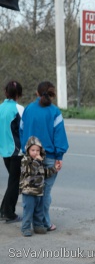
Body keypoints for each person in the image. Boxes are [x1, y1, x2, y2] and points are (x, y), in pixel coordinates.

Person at [20, 81, 69, 232]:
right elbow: (59, 136)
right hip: (48, 157)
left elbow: (21, 132)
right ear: (52, 94)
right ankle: (43, 222)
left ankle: (29, 224)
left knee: (30, 190)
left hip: (29, 157)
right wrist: (59, 156)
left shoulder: (28, 110)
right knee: (45, 192)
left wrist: (26, 150)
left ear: (37, 93)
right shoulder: (54, 112)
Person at [20, 136, 60, 237]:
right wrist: (37, 161)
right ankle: (25, 228)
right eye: (33, 150)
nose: (36, 152)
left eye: (38, 150)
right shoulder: (25, 160)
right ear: (28, 149)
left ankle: (38, 226)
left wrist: (54, 169)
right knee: (28, 211)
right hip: (28, 192)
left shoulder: (39, 161)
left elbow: (44, 173)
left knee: (39, 210)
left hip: (39, 191)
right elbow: (31, 171)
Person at [0, 81, 24, 223]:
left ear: (6, 92)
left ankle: (4, 210)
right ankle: (9, 213)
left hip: (4, 151)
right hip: (17, 151)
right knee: (15, 182)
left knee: (13, 181)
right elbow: (25, 129)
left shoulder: (0, 107)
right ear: (19, 94)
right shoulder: (19, 108)